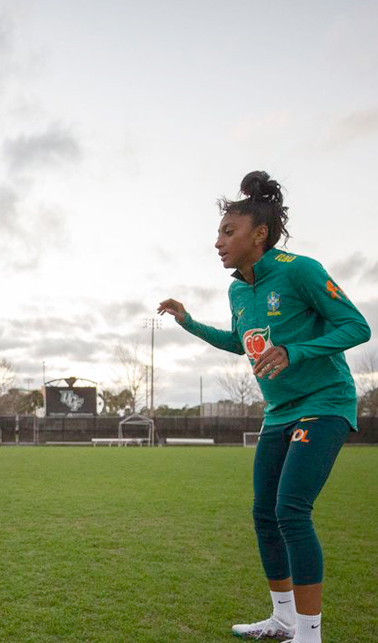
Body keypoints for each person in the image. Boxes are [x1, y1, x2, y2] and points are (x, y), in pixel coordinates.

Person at [158, 171, 371, 643]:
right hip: (278, 411)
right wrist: (189, 322)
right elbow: (242, 343)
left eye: (227, 232)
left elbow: (357, 327)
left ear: (259, 234)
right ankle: (283, 620)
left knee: (291, 510)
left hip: (324, 402)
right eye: (217, 232)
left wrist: (296, 351)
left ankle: (310, 635)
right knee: (263, 513)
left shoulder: (301, 270)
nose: (217, 242)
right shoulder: (237, 290)